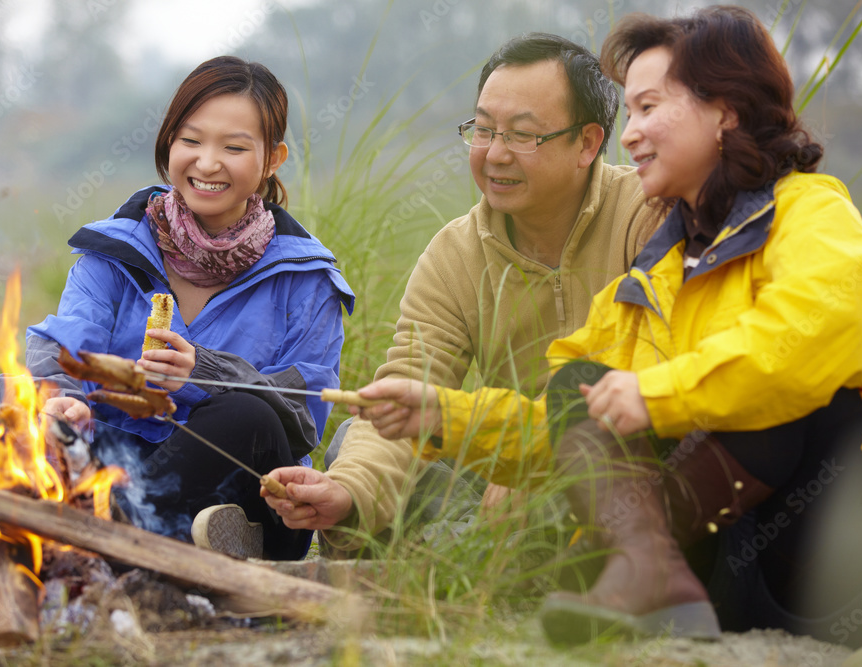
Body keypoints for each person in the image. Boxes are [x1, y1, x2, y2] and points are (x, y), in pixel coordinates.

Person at [347, 5, 862, 648]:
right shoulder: (659, 267)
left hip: (830, 544)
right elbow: (565, 427)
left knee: (806, 406)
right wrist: (443, 416)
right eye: (632, 113)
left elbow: (802, 344)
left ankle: (640, 567)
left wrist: (653, 396)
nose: (632, 133)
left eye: (651, 108)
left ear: (726, 112)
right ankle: (648, 572)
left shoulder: (813, 212)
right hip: (720, 556)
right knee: (581, 388)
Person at [262, 34, 661, 551]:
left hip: (618, 451)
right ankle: (443, 540)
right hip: (500, 461)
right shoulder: (456, 254)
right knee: (356, 451)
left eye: (521, 135)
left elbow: (645, 360)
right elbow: (411, 385)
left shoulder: (644, 214)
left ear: (587, 143)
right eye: (483, 130)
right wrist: (348, 490)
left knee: (592, 469)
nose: (494, 155)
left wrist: (536, 456)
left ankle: (451, 549)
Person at [0, 56, 354, 561]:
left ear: (273, 158)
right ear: (168, 142)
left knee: (246, 415)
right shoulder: (117, 249)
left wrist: (202, 371)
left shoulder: (306, 276)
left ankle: (96, 529)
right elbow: (65, 346)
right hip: (114, 461)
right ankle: (142, 530)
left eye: (233, 147)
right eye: (191, 141)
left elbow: (301, 416)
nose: (207, 163)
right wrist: (63, 399)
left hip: (240, 485)